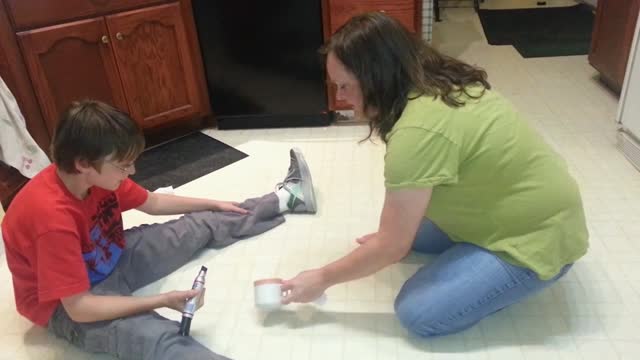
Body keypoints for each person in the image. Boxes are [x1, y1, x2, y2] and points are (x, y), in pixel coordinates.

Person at [281, 12, 588, 337]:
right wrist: (392, 240)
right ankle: (464, 253)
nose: (342, 97)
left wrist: (323, 277)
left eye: (346, 86)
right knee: (407, 233)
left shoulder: (418, 132)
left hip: (538, 236)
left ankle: (518, 272)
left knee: (418, 313)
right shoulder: (437, 83)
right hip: (528, 202)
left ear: (377, 78)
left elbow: (391, 247)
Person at [1, 100, 317, 359]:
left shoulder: (96, 179)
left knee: (203, 221)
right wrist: (160, 300)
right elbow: (81, 308)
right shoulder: (50, 219)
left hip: (111, 257)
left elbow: (151, 202)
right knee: (161, 340)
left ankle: (287, 198)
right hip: (68, 305)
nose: (132, 171)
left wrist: (214, 203)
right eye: (123, 165)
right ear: (84, 163)